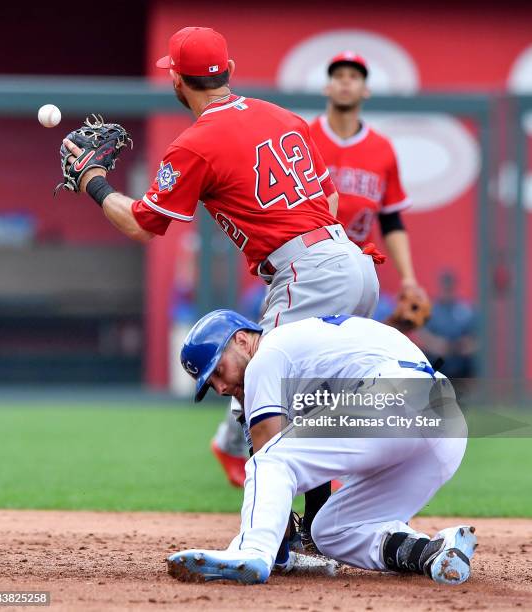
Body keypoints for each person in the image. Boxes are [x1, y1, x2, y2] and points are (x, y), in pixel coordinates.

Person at [62, 27, 380, 544]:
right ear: (228, 71)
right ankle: (328, 527)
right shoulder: (284, 116)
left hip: (308, 273)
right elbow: (332, 202)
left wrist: (91, 181)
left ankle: (274, 535)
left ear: (176, 80)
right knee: (316, 400)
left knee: (262, 390)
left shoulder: (196, 143)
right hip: (354, 264)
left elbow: (143, 225)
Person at [168, 309, 476, 585]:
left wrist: (275, 548)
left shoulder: (266, 356)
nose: (220, 388)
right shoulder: (295, 350)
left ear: (241, 340)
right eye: (211, 385)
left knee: (270, 462)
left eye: (218, 371)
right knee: (332, 530)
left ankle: (251, 550)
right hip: (443, 422)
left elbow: (267, 450)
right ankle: (433, 552)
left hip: (393, 396)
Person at [309, 51, 425, 300]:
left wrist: (408, 278)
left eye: (354, 76)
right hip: (307, 264)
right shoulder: (304, 138)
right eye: (338, 75)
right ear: (327, 88)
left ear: (365, 90)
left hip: (359, 266)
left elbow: (391, 219)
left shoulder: (382, 148)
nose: (346, 81)